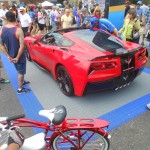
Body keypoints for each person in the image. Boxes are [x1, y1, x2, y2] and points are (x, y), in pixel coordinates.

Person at [0, 11, 30, 94]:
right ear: (15, 18)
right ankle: (20, 89)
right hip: (19, 56)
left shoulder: (2, 29)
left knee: (18, 69)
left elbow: (1, 45)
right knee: (21, 72)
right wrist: (17, 57)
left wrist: (9, 56)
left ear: (6, 19)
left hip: (11, 55)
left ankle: (22, 81)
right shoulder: (18, 30)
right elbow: (22, 46)